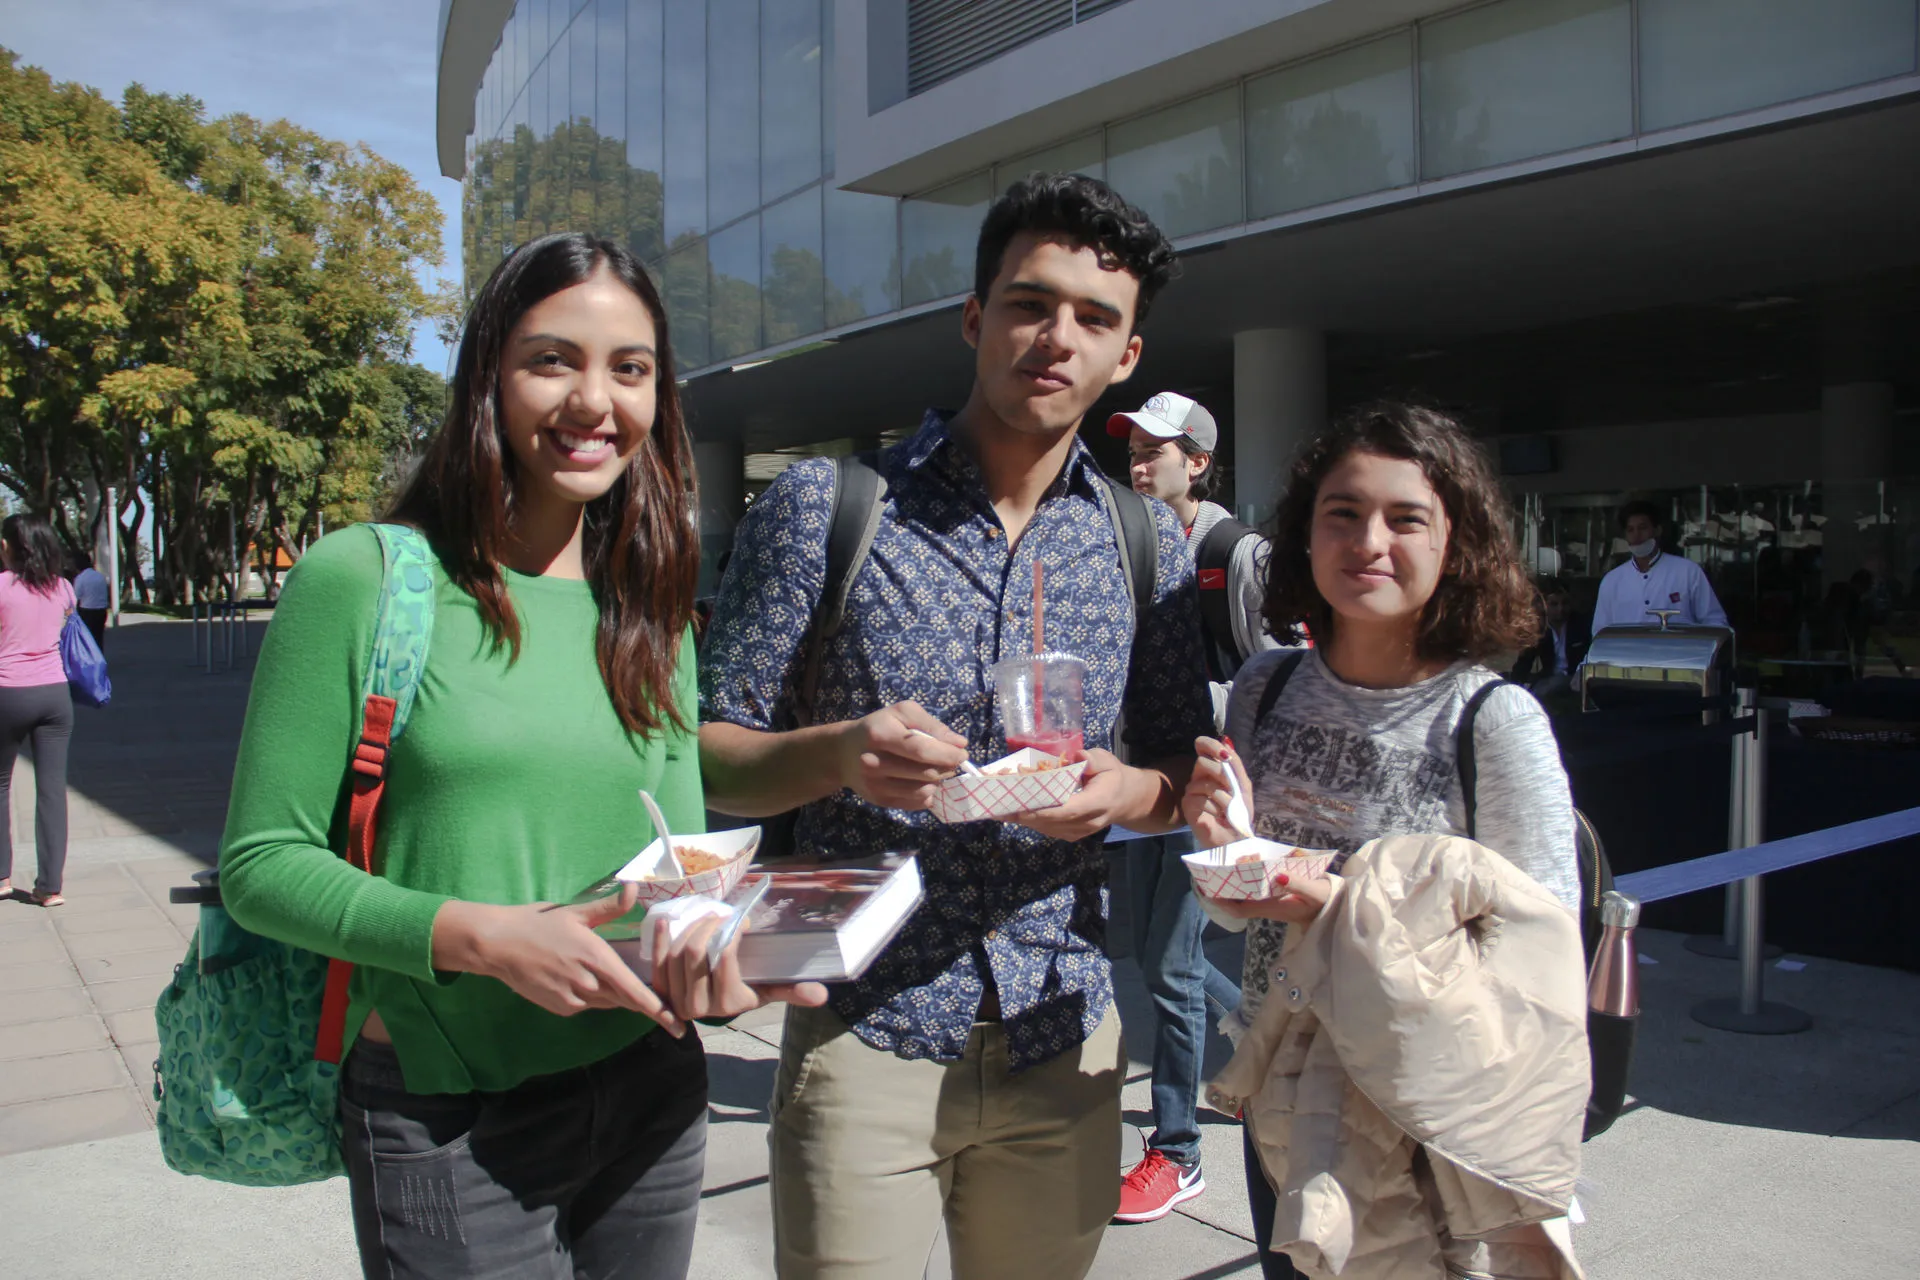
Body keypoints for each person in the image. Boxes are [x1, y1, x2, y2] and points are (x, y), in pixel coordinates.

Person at [219, 232, 823, 1280]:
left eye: (629, 369)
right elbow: (260, 863)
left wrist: (722, 950)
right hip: (453, 1116)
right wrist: (483, 936)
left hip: (654, 1091)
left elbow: (677, 848)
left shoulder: (656, 606)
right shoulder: (363, 580)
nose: (595, 401)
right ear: (487, 377)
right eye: (553, 360)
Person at [699, 173, 1214, 1280]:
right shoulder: (829, 509)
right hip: (863, 1022)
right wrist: (839, 753)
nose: (1056, 336)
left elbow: (1176, 769)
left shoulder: (1146, 546)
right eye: (1031, 302)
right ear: (976, 318)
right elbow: (707, 750)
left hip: (1062, 1029)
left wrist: (1120, 794)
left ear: (1128, 356)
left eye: (1094, 318)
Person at [1181, 402, 1581, 1279]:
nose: (1370, 540)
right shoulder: (1263, 688)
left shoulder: (1492, 721)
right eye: (1344, 512)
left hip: (1424, 1113)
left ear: (1455, 543)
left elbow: (1543, 950)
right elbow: (1244, 912)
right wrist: (1222, 854)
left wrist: (1326, 899)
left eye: (1407, 519)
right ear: (1304, 536)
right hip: (1282, 1089)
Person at [1108, 389, 1282, 1222]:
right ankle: (1262, 1043)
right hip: (1142, 785)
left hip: (1208, 788)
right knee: (1149, 957)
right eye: (1134, 449)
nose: (1140, 463)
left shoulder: (1233, 552)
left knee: (1170, 966)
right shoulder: (1124, 539)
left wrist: (1194, 713)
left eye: (1157, 450)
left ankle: (1177, 1149)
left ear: (1199, 462)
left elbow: (1277, 677)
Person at [0, 514, 77, 908]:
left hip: (7, 693)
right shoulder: (63, 588)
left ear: (11, 547)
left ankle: (1, 875)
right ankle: (51, 887)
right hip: (54, 696)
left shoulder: (0, 588)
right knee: (52, 790)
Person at [1590, 500, 1727, 634]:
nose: (1636, 535)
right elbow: (1600, 634)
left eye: (1643, 528)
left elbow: (1715, 622)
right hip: (1627, 656)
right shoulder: (1612, 580)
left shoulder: (1687, 571)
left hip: (1679, 655)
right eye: (1630, 530)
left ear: (1657, 530)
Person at [1511, 576, 1590, 698]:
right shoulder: (1539, 627)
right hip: (1549, 677)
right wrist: (1514, 688)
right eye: (1554, 604)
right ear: (1543, 605)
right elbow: (1524, 663)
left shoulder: (1581, 624)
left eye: (1565, 603)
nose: (1561, 609)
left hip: (1576, 678)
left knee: (1546, 689)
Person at [71, 552, 110, 649]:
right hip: (101, 611)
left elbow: (76, 597)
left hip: (87, 611)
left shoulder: (80, 578)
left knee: (87, 639)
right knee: (98, 637)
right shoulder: (100, 576)